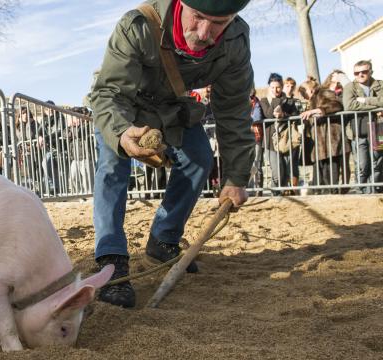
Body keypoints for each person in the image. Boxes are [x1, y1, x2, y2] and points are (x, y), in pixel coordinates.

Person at [91, 0, 254, 308]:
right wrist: (122, 133)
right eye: (198, 18)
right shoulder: (137, 25)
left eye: (219, 22)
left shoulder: (235, 39)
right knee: (113, 167)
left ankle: (163, 238)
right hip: (124, 106)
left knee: (199, 159)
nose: (205, 33)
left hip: (171, 109)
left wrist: (235, 176)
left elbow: (233, 110)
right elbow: (109, 93)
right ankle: (110, 258)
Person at [300, 78, 350, 193]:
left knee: (331, 172)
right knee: (320, 174)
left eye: (304, 92)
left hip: (330, 140)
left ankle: (332, 194)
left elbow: (337, 105)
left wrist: (317, 110)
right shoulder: (312, 100)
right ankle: (322, 193)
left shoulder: (324, 92)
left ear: (310, 90)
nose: (303, 95)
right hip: (319, 143)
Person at [342, 59, 383, 193]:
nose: (360, 75)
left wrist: (365, 100)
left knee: (377, 161)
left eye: (364, 72)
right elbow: (349, 105)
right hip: (358, 130)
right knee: (362, 164)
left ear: (370, 71)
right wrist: (376, 106)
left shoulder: (380, 85)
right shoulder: (350, 87)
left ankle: (375, 190)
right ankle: (362, 191)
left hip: (379, 129)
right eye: (356, 73)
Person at [259, 73, 301, 194]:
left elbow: (295, 116)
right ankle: (275, 195)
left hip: (286, 140)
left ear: (282, 86)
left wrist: (284, 115)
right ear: (269, 87)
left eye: (277, 87)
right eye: (272, 87)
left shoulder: (289, 101)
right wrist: (277, 100)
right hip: (270, 142)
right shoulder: (264, 100)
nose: (275, 90)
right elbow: (268, 114)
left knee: (285, 173)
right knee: (277, 173)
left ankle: (281, 196)